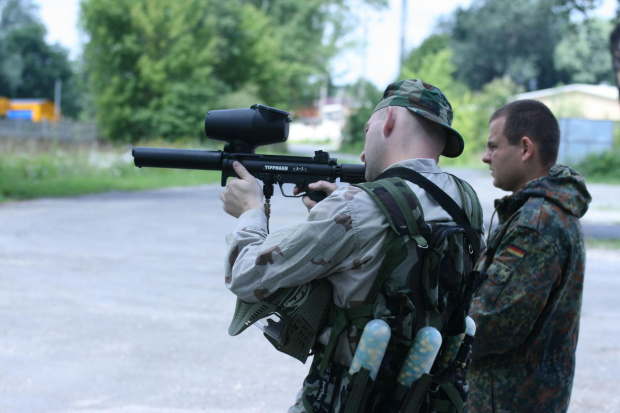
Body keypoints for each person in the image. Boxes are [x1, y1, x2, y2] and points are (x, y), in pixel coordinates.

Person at [220, 79, 485, 412]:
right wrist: (344, 218)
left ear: (388, 120)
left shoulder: (356, 207)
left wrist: (250, 212)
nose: (362, 152)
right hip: (422, 403)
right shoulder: (468, 203)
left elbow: (245, 277)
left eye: (366, 129)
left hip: (347, 401)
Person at [467, 99, 592, 412]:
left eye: (493, 146)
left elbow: (486, 325)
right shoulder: (540, 213)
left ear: (525, 149)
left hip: (508, 402)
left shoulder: (537, 224)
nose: (485, 157)